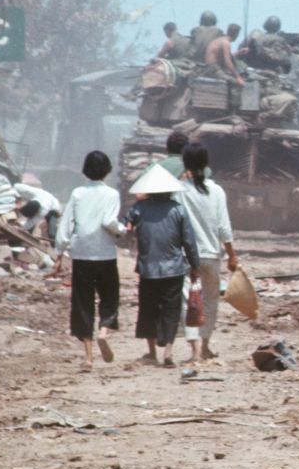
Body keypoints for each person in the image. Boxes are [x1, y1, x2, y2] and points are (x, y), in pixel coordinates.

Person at [55, 151, 125, 372]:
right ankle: (104, 331)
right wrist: (122, 230)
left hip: (81, 254)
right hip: (104, 253)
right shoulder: (112, 194)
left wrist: (59, 252)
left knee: (82, 303)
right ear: (107, 170)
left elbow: (66, 226)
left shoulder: (77, 194)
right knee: (109, 297)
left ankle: (88, 357)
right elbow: (109, 221)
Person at [126, 164, 200, 368]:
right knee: (171, 310)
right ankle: (168, 352)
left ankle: (151, 353)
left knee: (148, 310)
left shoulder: (138, 209)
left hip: (148, 269)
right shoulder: (178, 210)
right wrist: (195, 265)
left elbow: (126, 228)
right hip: (173, 269)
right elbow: (189, 241)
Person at [176, 143, 240, 363]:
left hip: (185, 256)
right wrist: (232, 255)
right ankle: (205, 345)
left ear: (185, 164)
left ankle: (193, 348)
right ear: (206, 164)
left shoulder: (179, 190)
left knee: (187, 300)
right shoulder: (217, 191)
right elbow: (224, 227)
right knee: (210, 300)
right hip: (211, 255)